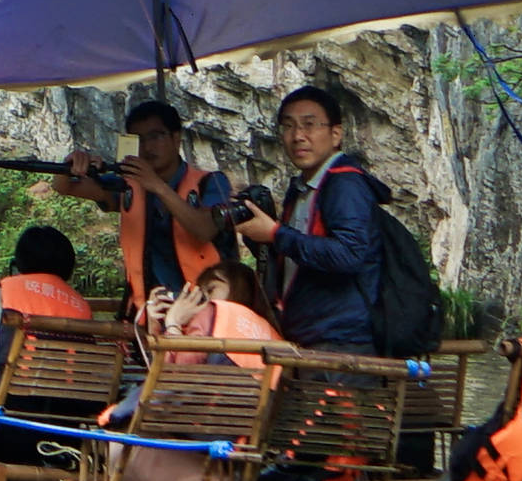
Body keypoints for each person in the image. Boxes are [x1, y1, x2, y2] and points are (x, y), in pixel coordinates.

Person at [229, 79, 400, 354]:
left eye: (309, 124)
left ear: (336, 134)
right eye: (288, 126)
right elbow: (299, 259)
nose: (298, 135)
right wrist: (260, 237)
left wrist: (275, 233)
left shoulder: (345, 184)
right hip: (311, 337)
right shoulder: (303, 188)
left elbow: (350, 254)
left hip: (342, 345)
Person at [67, 98, 250, 323]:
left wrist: (157, 186)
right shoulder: (128, 185)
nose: (147, 147)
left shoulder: (210, 182)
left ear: (176, 138)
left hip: (207, 316)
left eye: (155, 136)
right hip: (152, 315)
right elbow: (66, 186)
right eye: (139, 139)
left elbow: (205, 229)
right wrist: (74, 165)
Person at [0, 223, 110, 399]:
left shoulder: (7, 289)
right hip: (66, 401)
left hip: (4, 394)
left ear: (21, 260)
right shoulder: (81, 305)